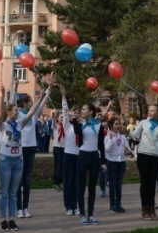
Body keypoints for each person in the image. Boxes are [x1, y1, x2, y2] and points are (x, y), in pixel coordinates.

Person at [0, 76, 44, 232]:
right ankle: (3, 220)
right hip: (5, 160)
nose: (18, 111)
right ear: (9, 112)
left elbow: (31, 112)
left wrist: (41, 97)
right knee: (4, 191)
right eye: (15, 110)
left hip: (18, 160)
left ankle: (12, 219)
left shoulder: (19, 123)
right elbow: (0, 113)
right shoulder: (2, 125)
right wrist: (3, 96)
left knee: (13, 192)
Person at [14, 79, 51, 220]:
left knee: (27, 179)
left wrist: (50, 86)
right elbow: (11, 102)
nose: (32, 104)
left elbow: (42, 102)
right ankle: (18, 208)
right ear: (24, 104)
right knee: (19, 179)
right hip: (21, 148)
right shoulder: (19, 115)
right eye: (30, 102)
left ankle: (26, 207)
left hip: (31, 149)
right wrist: (16, 87)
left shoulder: (33, 115)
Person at [129, 104, 158, 220]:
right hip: (143, 155)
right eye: (149, 110)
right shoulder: (143, 123)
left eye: (153, 111)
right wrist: (125, 132)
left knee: (152, 183)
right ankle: (145, 208)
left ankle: (151, 207)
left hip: (155, 156)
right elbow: (133, 135)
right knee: (145, 182)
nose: (150, 112)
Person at [73, 102, 105, 225]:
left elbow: (101, 144)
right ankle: (82, 214)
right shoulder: (81, 125)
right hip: (83, 155)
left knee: (92, 186)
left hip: (94, 156)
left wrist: (103, 161)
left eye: (84, 109)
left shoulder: (99, 126)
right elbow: (76, 132)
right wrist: (75, 119)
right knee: (81, 186)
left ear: (91, 112)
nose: (82, 111)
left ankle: (91, 214)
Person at [59, 86, 79, 216]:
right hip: (68, 154)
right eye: (74, 112)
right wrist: (64, 96)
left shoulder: (80, 126)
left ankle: (75, 204)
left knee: (76, 182)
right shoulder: (67, 124)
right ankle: (68, 206)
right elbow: (64, 110)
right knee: (68, 181)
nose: (76, 114)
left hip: (79, 156)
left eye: (78, 113)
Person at [105, 117, 129, 213]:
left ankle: (118, 203)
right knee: (113, 184)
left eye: (119, 124)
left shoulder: (122, 137)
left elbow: (127, 147)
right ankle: (112, 204)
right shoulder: (107, 137)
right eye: (115, 124)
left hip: (121, 162)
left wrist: (127, 150)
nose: (118, 126)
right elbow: (106, 150)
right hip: (112, 162)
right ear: (111, 126)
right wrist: (111, 140)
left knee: (119, 184)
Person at [51, 112, 64, 192]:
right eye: (61, 117)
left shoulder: (66, 126)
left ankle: (61, 182)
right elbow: (54, 124)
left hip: (64, 148)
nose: (62, 119)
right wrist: (53, 118)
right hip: (57, 147)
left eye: (63, 117)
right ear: (58, 118)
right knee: (58, 166)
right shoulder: (57, 126)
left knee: (63, 166)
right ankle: (56, 182)